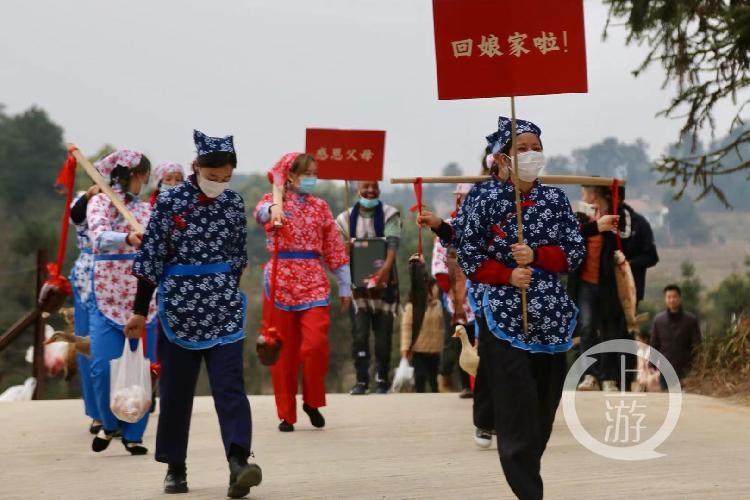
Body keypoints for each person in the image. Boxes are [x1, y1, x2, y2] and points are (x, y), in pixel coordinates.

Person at [454, 116, 585, 500]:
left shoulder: (554, 199)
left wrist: (539, 255)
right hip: (502, 314)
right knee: (518, 406)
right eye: (522, 149)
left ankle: (529, 466)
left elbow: (575, 251)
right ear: (503, 158)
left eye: (536, 148)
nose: (531, 155)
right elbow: (469, 253)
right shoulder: (484, 198)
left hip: (551, 317)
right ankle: (530, 491)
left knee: (543, 409)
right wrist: (507, 275)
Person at [127, 130, 261, 497]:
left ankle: (238, 463)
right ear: (196, 167)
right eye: (212, 176)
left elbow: (238, 254)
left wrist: (224, 284)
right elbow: (151, 256)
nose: (219, 184)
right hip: (180, 307)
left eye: (225, 178)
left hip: (223, 307)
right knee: (176, 391)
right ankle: (175, 467)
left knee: (230, 386)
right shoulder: (170, 203)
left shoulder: (234, 203)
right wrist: (140, 310)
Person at [255, 152, 351, 432]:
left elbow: (333, 245)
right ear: (291, 176)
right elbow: (260, 214)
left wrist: (345, 284)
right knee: (282, 352)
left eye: (314, 173)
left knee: (314, 346)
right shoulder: (272, 202)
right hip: (280, 280)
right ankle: (286, 414)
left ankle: (312, 400)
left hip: (313, 280)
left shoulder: (320, 207)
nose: (312, 178)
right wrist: (273, 208)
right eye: (306, 173)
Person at [86, 149, 157, 456]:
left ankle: (134, 433)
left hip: (140, 298)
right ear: (128, 175)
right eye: (142, 174)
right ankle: (110, 420)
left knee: (140, 370)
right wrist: (127, 239)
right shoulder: (100, 202)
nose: (145, 180)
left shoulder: (145, 210)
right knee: (102, 368)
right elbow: (98, 238)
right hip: (107, 294)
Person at [572, 184, 659, 392]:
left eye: (585, 191)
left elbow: (649, 256)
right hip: (585, 284)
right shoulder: (581, 220)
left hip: (614, 288)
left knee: (612, 332)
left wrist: (625, 265)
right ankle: (590, 375)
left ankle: (610, 377)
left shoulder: (629, 223)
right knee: (587, 328)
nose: (583, 196)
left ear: (595, 195)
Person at [335, 181, 401, 395]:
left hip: (384, 285)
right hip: (358, 288)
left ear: (379, 189)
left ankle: (382, 379)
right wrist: (345, 249)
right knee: (360, 335)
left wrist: (386, 269)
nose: (370, 191)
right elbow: (337, 253)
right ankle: (361, 380)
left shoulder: (390, 214)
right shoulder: (344, 218)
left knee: (383, 338)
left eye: (374, 187)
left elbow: (392, 243)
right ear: (357, 190)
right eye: (366, 187)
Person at [432, 183, 476, 397]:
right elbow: (439, 264)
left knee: (479, 339)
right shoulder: (447, 226)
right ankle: (466, 384)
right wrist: (450, 290)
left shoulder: (482, 225)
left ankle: (481, 383)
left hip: (478, 292)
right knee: (461, 341)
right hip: (455, 296)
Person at [69, 184, 102, 434]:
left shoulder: (126, 202)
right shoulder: (83, 199)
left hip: (120, 274)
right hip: (87, 273)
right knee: (87, 343)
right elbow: (75, 216)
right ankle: (97, 412)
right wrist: (91, 195)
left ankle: (123, 407)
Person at [400, 255, 444, 393]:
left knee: (433, 379)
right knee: (419, 378)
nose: (437, 290)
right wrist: (405, 348)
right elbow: (406, 328)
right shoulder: (412, 307)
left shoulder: (440, 306)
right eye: (434, 287)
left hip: (435, 349)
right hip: (418, 349)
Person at [650, 285, 702, 390]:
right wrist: (652, 363)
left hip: (686, 368)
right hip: (665, 368)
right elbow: (655, 343)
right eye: (669, 297)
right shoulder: (659, 320)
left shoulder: (690, 320)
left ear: (680, 298)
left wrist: (698, 364)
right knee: (666, 400)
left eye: (674, 297)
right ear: (665, 299)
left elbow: (697, 344)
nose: (672, 300)